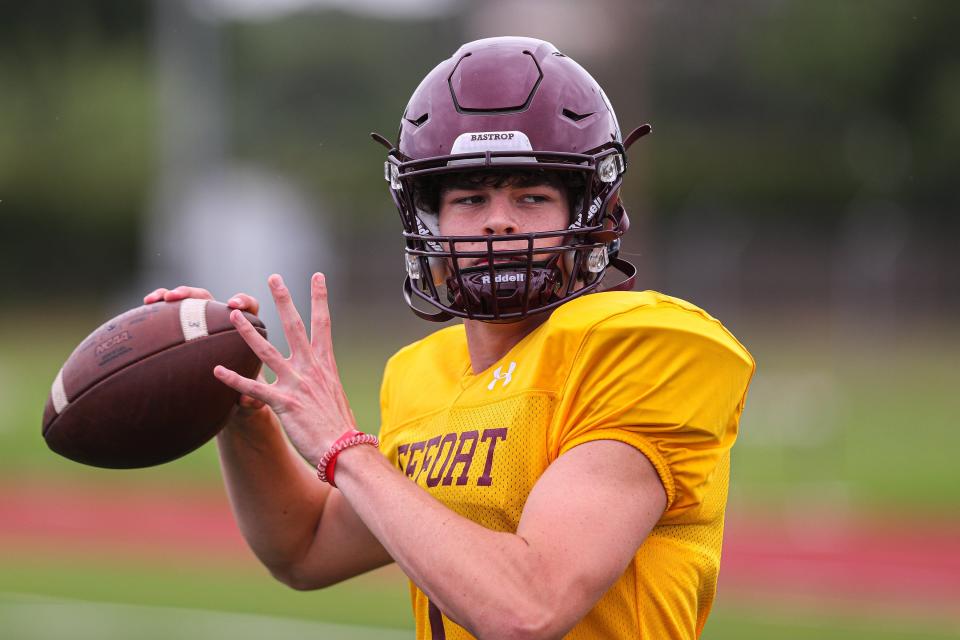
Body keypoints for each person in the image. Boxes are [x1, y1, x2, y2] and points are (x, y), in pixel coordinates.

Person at [145, 37, 754, 640]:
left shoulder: (648, 345)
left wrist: (345, 448)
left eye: (532, 195)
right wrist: (241, 405)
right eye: (470, 197)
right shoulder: (421, 375)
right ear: (424, 219)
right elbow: (303, 550)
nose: (498, 218)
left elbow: (528, 608)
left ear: (592, 212)